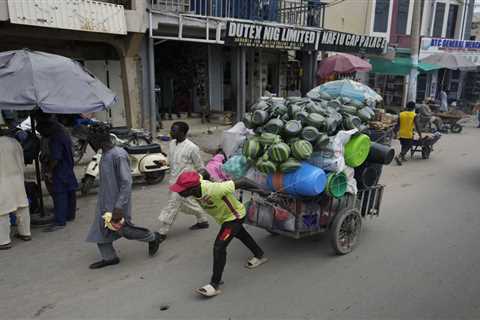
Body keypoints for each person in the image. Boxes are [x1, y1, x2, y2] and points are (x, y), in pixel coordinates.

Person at [170, 171, 269, 297]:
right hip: (224, 218)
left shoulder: (214, 189)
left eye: (182, 190)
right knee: (241, 235)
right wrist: (208, 175)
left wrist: (262, 191)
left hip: (234, 217)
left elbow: (244, 181)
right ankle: (259, 255)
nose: (179, 192)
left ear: (193, 188)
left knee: (219, 247)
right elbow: (202, 173)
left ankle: (214, 284)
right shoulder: (196, 183)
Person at [85, 123, 161, 269]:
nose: (90, 144)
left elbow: (126, 183)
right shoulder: (104, 155)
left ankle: (152, 237)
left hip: (117, 203)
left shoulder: (118, 155)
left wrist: (119, 206)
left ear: (98, 140)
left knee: (124, 229)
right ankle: (109, 257)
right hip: (105, 201)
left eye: (91, 140)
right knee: (100, 228)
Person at [158, 122, 209, 241]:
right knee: (187, 203)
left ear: (182, 132)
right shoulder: (171, 144)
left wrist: (199, 182)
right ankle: (203, 220)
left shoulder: (192, 147)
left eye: (174, 130)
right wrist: (163, 163)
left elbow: (200, 167)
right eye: (171, 129)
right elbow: (170, 161)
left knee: (172, 205)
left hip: (184, 184)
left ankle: (162, 232)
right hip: (173, 181)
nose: (170, 132)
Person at [37, 119, 78, 232]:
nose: (42, 135)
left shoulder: (55, 139)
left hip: (60, 170)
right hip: (68, 168)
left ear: (47, 128)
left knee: (60, 194)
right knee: (70, 192)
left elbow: (55, 158)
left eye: (42, 132)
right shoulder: (64, 135)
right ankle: (70, 215)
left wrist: (49, 170)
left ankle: (60, 221)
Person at [0, 129, 31, 250]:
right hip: (17, 178)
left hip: (2, 180)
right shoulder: (14, 142)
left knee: (2, 211)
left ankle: (4, 241)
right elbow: (21, 160)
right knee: (22, 206)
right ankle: (25, 233)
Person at [395, 101, 422, 166]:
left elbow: (397, 125)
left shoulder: (401, 114)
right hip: (409, 134)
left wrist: (395, 132)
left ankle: (403, 157)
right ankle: (400, 156)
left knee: (403, 145)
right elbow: (417, 126)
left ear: (406, 106)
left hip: (401, 133)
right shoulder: (414, 115)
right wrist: (420, 134)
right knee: (408, 146)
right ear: (413, 108)